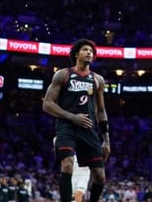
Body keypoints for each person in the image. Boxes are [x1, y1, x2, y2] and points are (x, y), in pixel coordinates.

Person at [42, 38, 110, 202]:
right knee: (67, 164)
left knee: (100, 177)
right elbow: (47, 104)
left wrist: (106, 140)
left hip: (88, 128)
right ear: (76, 54)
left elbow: (101, 111)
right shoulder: (63, 74)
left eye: (91, 51)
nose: (89, 53)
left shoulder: (97, 80)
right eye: (86, 50)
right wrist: (72, 117)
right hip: (67, 126)